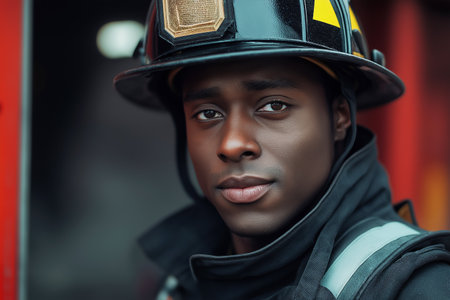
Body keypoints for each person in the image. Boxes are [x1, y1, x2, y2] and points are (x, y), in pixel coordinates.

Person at [114, 0, 450, 299]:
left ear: (339, 116)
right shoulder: (173, 284)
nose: (232, 145)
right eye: (207, 113)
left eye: (273, 106)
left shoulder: (417, 287)